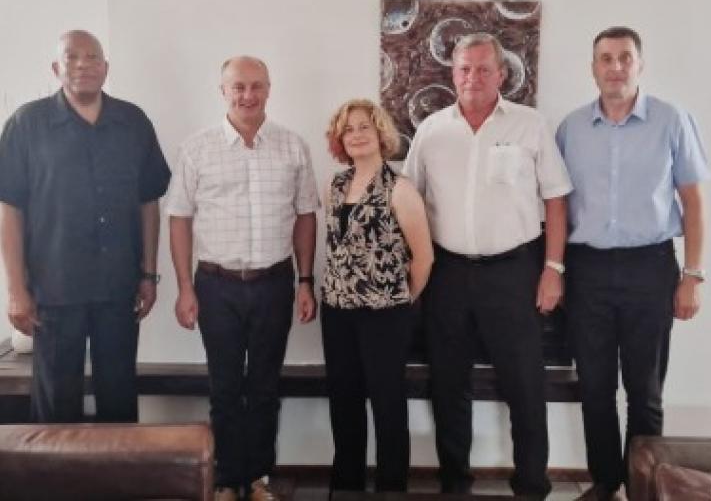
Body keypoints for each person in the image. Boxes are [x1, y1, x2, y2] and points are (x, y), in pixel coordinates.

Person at [403, 32, 572, 500]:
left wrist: (553, 269)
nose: (472, 77)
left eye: (482, 69)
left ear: (501, 74)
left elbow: (557, 201)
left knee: (525, 385)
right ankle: (455, 484)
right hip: (447, 274)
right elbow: (408, 199)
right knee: (448, 384)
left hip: (514, 273)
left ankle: (532, 486)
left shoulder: (530, 125)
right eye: (464, 68)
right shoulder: (432, 130)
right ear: (452, 73)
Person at [556, 26, 711, 501]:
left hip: (650, 268)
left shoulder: (671, 120)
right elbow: (556, 206)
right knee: (595, 389)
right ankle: (605, 483)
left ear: (639, 64)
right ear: (593, 68)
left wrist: (693, 276)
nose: (616, 67)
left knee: (645, 392)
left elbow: (694, 202)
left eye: (625, 57)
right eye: (606, 58)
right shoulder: (571, 128)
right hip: (587, 271)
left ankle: (644, 488)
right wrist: (555, 269)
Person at [165, 56, 319, 501]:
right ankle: (227, 480)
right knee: (225, 388)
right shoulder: (197, 148)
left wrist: (305, 281)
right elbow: (179, 218)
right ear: (223, 91)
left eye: (256, 86)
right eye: (238, 87)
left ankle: (257, 478)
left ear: (269, 89)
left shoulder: (293, 146)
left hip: (274, 284)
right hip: (216, 286)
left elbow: (306, 216)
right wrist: (185, 288)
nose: (248, 95)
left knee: (265, 387)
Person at [0, 30, 171, 423]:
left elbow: (149, 202)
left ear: (105, 68)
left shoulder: (133, 122)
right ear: (56, 68)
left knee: (119, 398)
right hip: (54, 290)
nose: (83, 65)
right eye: (72, 57)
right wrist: (16, 290)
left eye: (92, 57)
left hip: (119, 288)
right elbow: (10, 209)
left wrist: (149, 274)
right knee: (56, 406)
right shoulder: (27, 124)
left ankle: (121, 466)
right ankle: (56, 468)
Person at [321, 99, 433, 493]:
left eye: (364, 127)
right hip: (336, 312)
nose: (356, 135)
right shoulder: (334, 186)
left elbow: (423, 258)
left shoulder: (400, 189)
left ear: (380, 133)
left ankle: (391, 488)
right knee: (344, 401)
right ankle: (346, 485)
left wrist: (399, 300)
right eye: (348, 129)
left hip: (385, 315)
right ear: (340, 140)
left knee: (387, 403)